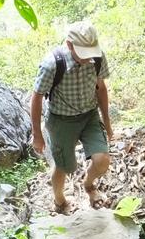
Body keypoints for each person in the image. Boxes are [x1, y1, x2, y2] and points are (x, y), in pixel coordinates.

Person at [30, 20, 113, 213]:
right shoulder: (52, 64)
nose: (87, 58)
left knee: (102, 160)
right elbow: (36, 98)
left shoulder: (97, 58)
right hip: (61, 120)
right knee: (63, 167)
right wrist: (37, 134)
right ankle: (59, 201)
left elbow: (101, 89)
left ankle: (89, 185)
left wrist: (107, 123)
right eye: (83, 53)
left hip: (89, 116)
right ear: (69, 45)